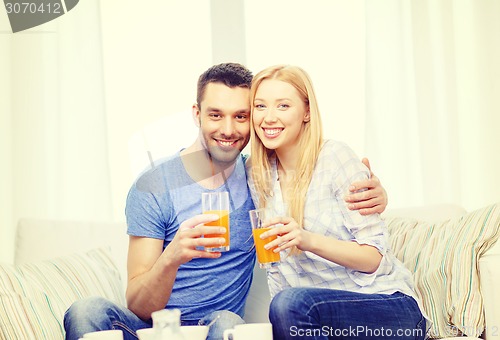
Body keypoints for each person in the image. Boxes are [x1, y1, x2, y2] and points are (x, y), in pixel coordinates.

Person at [63, 63, 388, 340]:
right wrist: (172, 257)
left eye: (241, 116)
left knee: (230, 324)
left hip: (216, 327)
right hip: (155, 330)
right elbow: (137, 305)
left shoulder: (258, 177)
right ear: (197, 114)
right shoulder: (154, 186)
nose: (228, 129)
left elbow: (313, 176)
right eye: (216, 115)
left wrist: (375, 191)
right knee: (85, 311)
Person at [247, 65, 427, 340]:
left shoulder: (335, 158)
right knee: (284, 307)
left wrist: (306, 239)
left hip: (387, 307)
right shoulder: (256, 173)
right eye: (260, 106)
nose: (269, 117)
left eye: (283, 105)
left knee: (288, 305)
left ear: (307, 112)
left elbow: (373, 259)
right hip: (313, 319)